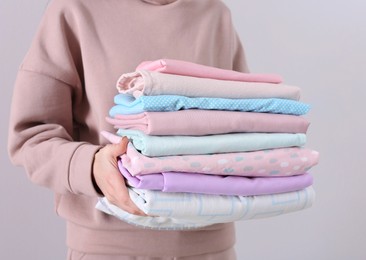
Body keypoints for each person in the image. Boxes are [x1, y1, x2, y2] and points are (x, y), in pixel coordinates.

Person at [8, 0, 249, 259]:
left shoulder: (215, 14)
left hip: (211, 246)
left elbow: (244, 123)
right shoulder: (74, 9)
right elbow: (30, 135)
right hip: (109, 247)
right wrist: (91, 166)